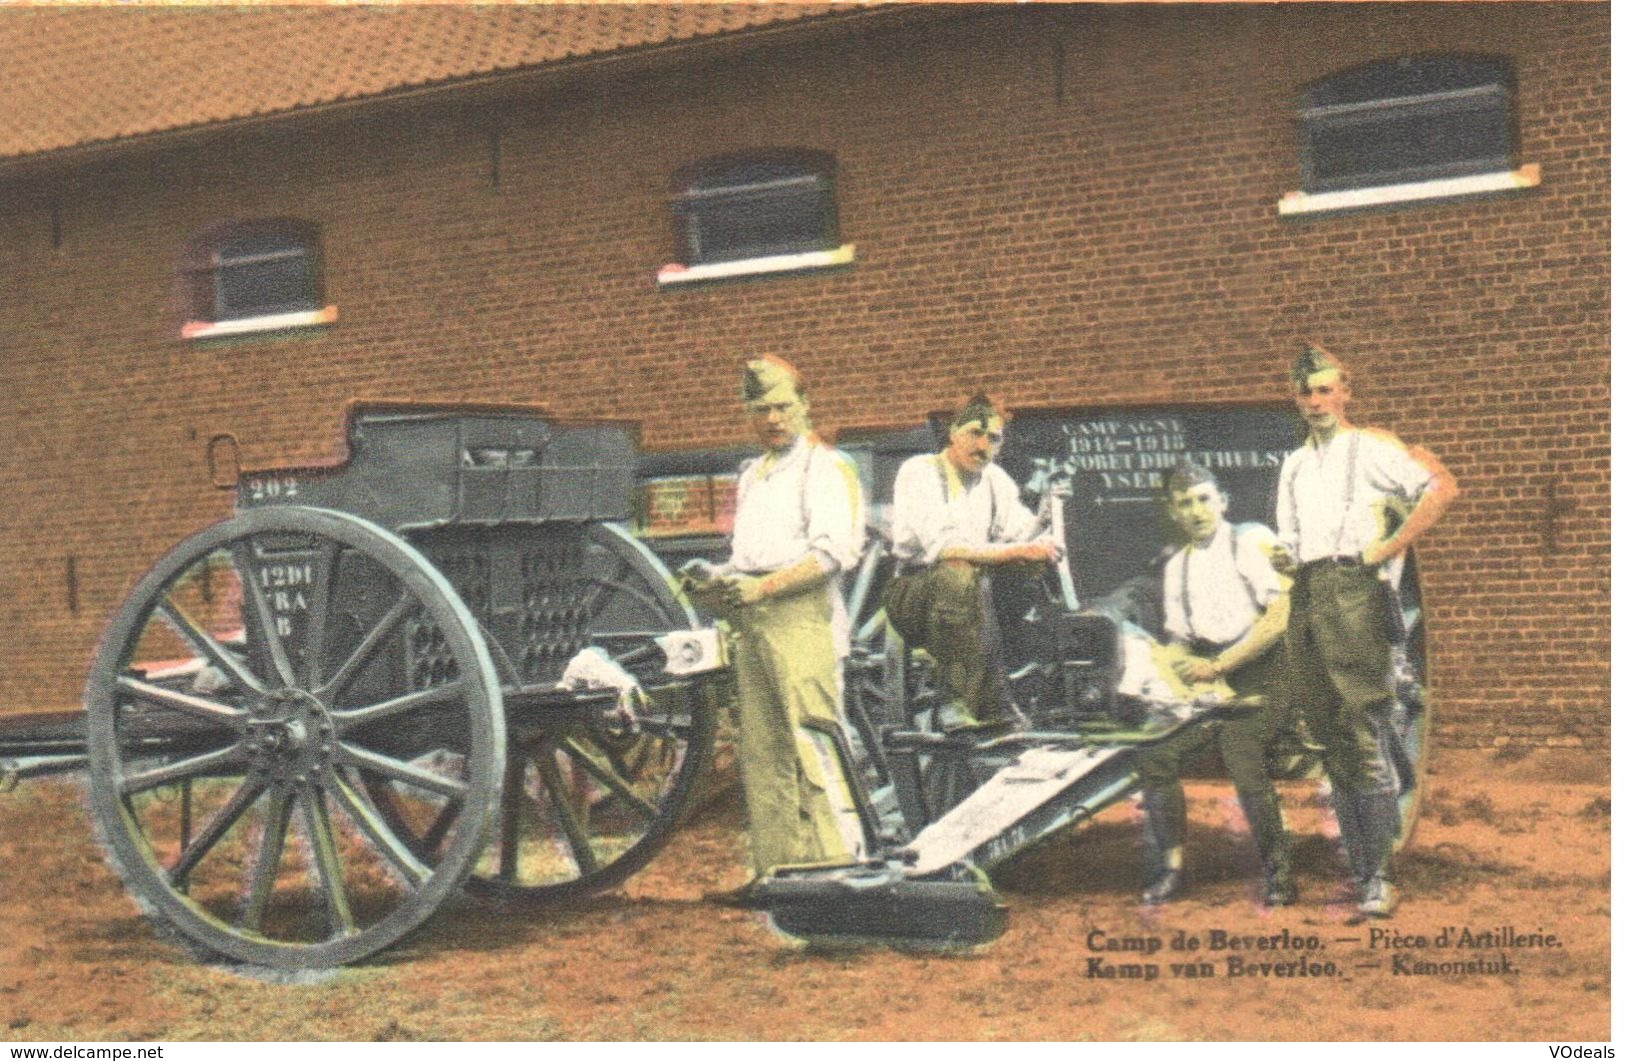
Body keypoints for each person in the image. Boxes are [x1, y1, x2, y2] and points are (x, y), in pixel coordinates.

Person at [1272, 344, 1458, 919]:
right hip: (1307, 594)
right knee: (1327, 735)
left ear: (1345, 392)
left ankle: (1375, 874)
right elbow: (1291, 539)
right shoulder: (1295, 463)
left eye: (1326, 390)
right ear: (1295, 399)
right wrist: (1284, 559)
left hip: (1356, 593)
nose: (1316, 402)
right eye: (1306, 392)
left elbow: (1442, 489)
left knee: (1359, 733)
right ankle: (1360, 863)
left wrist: (1385, 549)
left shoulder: (1371, 448)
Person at [682, 356, 867, 907]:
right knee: (763, 751)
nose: (773, 418)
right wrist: (715, 579)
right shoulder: (752, 474)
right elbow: (746, 557)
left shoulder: (827, 468)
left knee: (814, 741)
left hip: (802, 615)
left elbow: (834, 552)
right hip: (751, 616)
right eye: (760, 408)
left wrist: (764, 589)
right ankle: (780, 873)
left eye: (783, 406)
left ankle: (843, 870)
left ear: (805, 405)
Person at [1134, 461, 1296, 906]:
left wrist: (1219, 667)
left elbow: (1279, 620)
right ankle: (1172, 867)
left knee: (1240, 748)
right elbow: (1182, 643)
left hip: (1270, 670)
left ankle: (1278, 870)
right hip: (1215, 680)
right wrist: (1176, 675)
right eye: (1184, 503)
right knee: (1156, 750)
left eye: (1204, 499)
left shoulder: (1250, 540)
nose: (1196, 511)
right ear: (1173, 511)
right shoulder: (1177, 567)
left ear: (1222, 501)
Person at [883, 394, 1058, 730]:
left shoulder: (995, 480)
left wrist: (1044, 531)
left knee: (1025, 571)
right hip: (916, 593)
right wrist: (1018, 551)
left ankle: (1038, 687)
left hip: (977, 593)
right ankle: (957, 700)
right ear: (953, 431)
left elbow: (1021, 531)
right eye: (975, 433)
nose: (983, 446)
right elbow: (947, 549)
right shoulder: (920, 472)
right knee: (959, 572)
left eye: (993, 438)